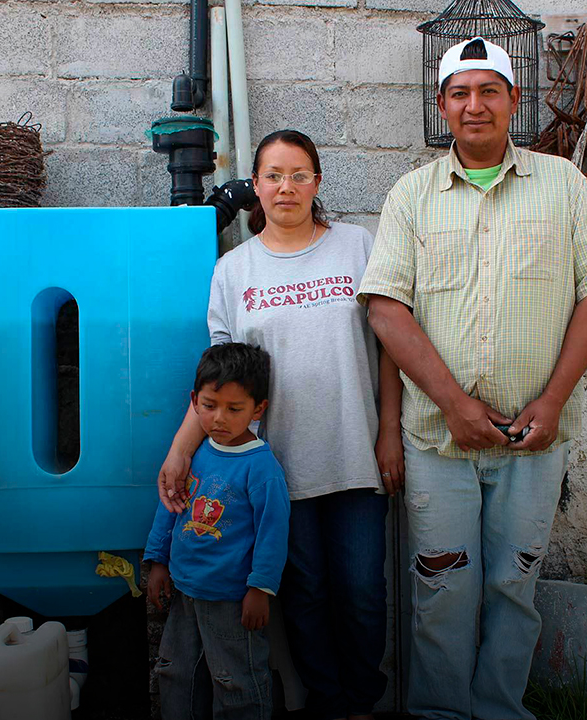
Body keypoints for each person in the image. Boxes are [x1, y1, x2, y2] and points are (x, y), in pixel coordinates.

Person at [358, 37, 587, 719]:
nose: (474, 105)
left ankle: (499, 710)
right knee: (442, 591)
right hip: (438, 441)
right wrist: (452, 404)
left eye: (489, 91)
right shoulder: (412, 196)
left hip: (531, 439)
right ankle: (442, 713)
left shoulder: (563, 185)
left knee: (515, 586)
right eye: (460, 93)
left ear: (514, 101)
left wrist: (553, 399)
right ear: (443, 106)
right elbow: (388, 310)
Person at [158, 129, 404, 720]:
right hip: (271, 473)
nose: (286, 187)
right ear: (256, 187)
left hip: (355, 456)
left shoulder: (356, 247)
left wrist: (390, 430)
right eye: (273, 175)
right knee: (305, 595)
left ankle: (363, 705)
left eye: (298, 174)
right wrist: (179, 452)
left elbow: (393, 346)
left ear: (317, 182)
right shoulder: (234, 270)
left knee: (365, 595)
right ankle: (326, 703)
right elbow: (220, 383)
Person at [144, 342, 290, 720]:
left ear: (258, 409)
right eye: (210, 406)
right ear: (194, 401)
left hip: (232, 601)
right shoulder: (196, 454)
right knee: (176, 673)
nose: (219, 419)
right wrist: (157, 560)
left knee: (236, 681)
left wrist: (260, 589)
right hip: (184, 593)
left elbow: (273, 534)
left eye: (234, 409)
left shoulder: (262, 469)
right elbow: (171, 507)